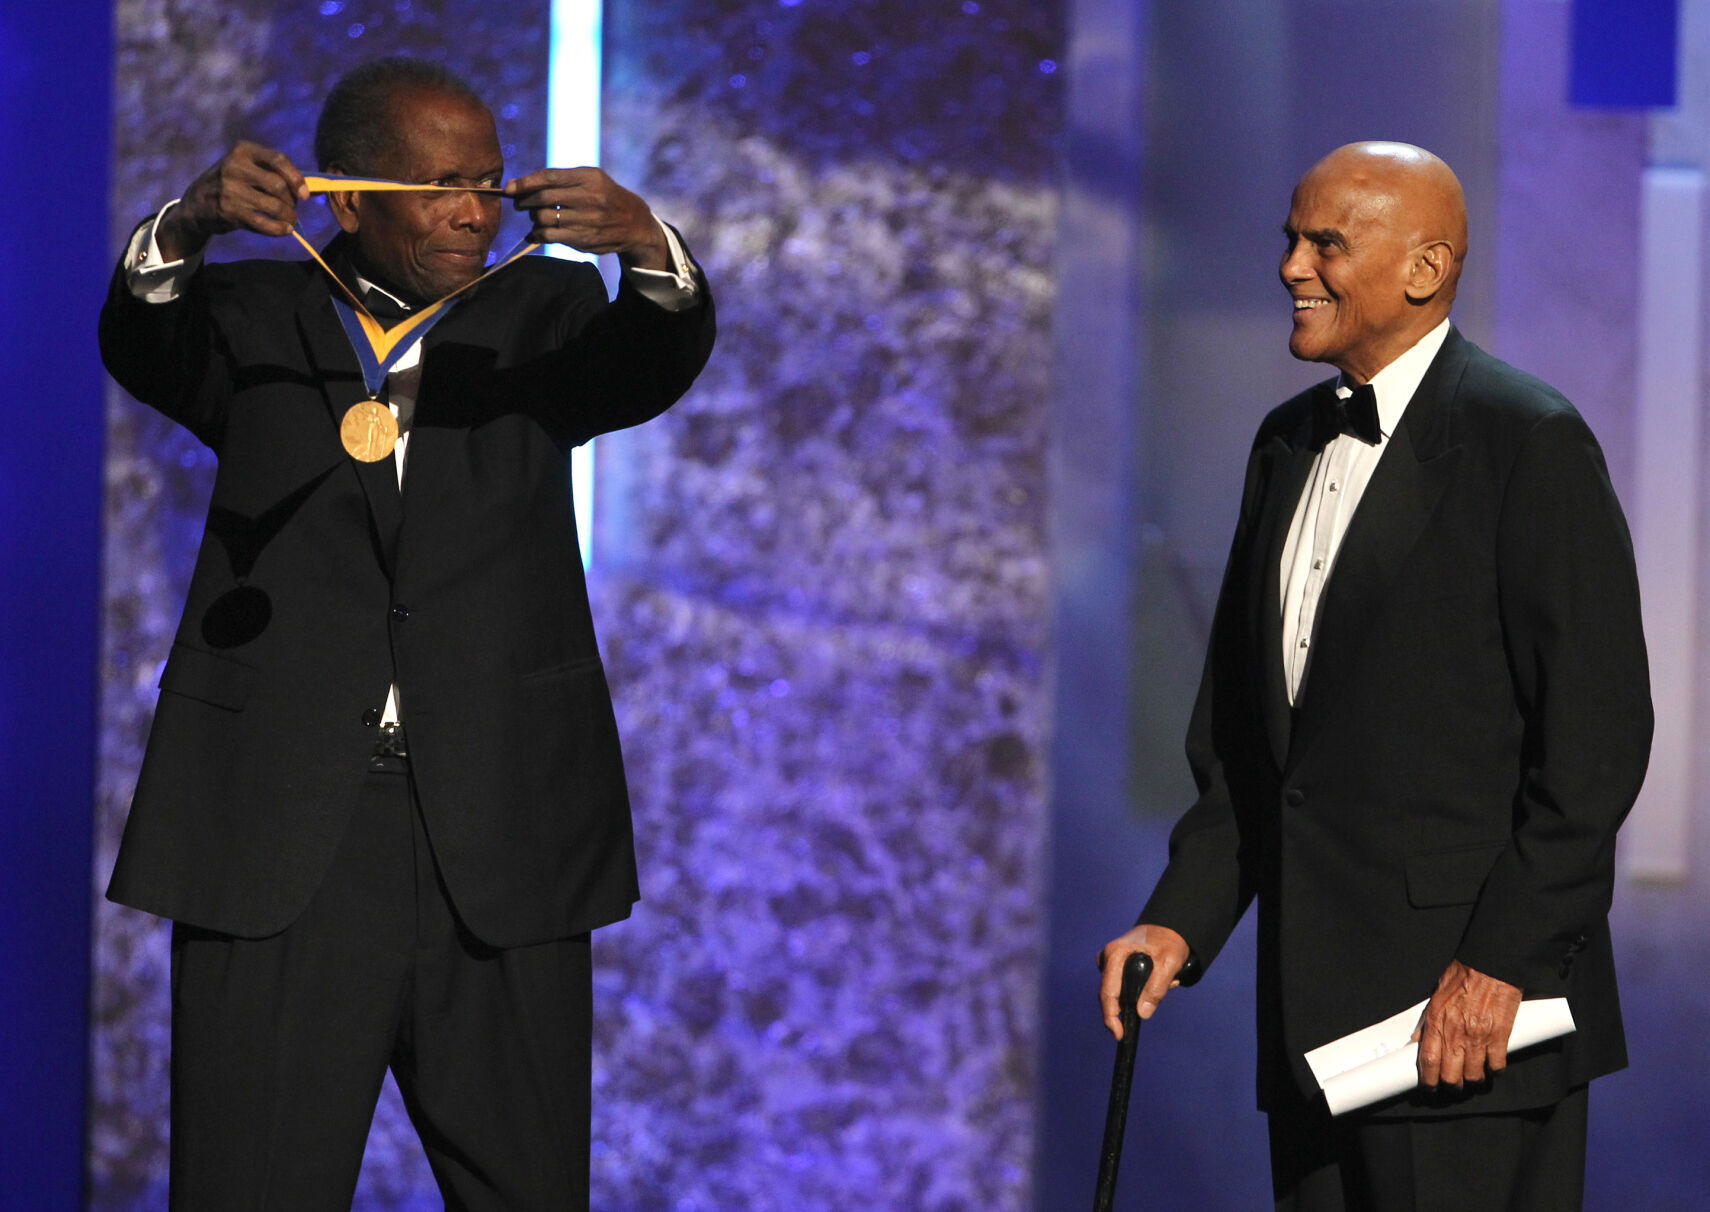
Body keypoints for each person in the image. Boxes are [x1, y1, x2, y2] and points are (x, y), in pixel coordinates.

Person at [99, 57, 714, 1210]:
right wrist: (186, 220)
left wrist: (644, 243)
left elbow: (654, 358)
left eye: (484, 182)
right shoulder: (255, 317)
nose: (472, 211)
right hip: (281, 836)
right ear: (346, 195)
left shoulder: (546, 317)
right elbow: (143, 337)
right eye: (438, 186)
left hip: (497, 834)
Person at [1097, 142, 1651, 1209]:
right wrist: (1180, 918)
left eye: (1327, 243)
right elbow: (1255, 753)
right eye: (1290, 238)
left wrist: (1505, 964)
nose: (1291, 267)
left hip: (1465, 1032)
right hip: (1312, 1027)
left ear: (1424, 268)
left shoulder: (1523, 440)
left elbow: (1596, 741)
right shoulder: (1285, 444)